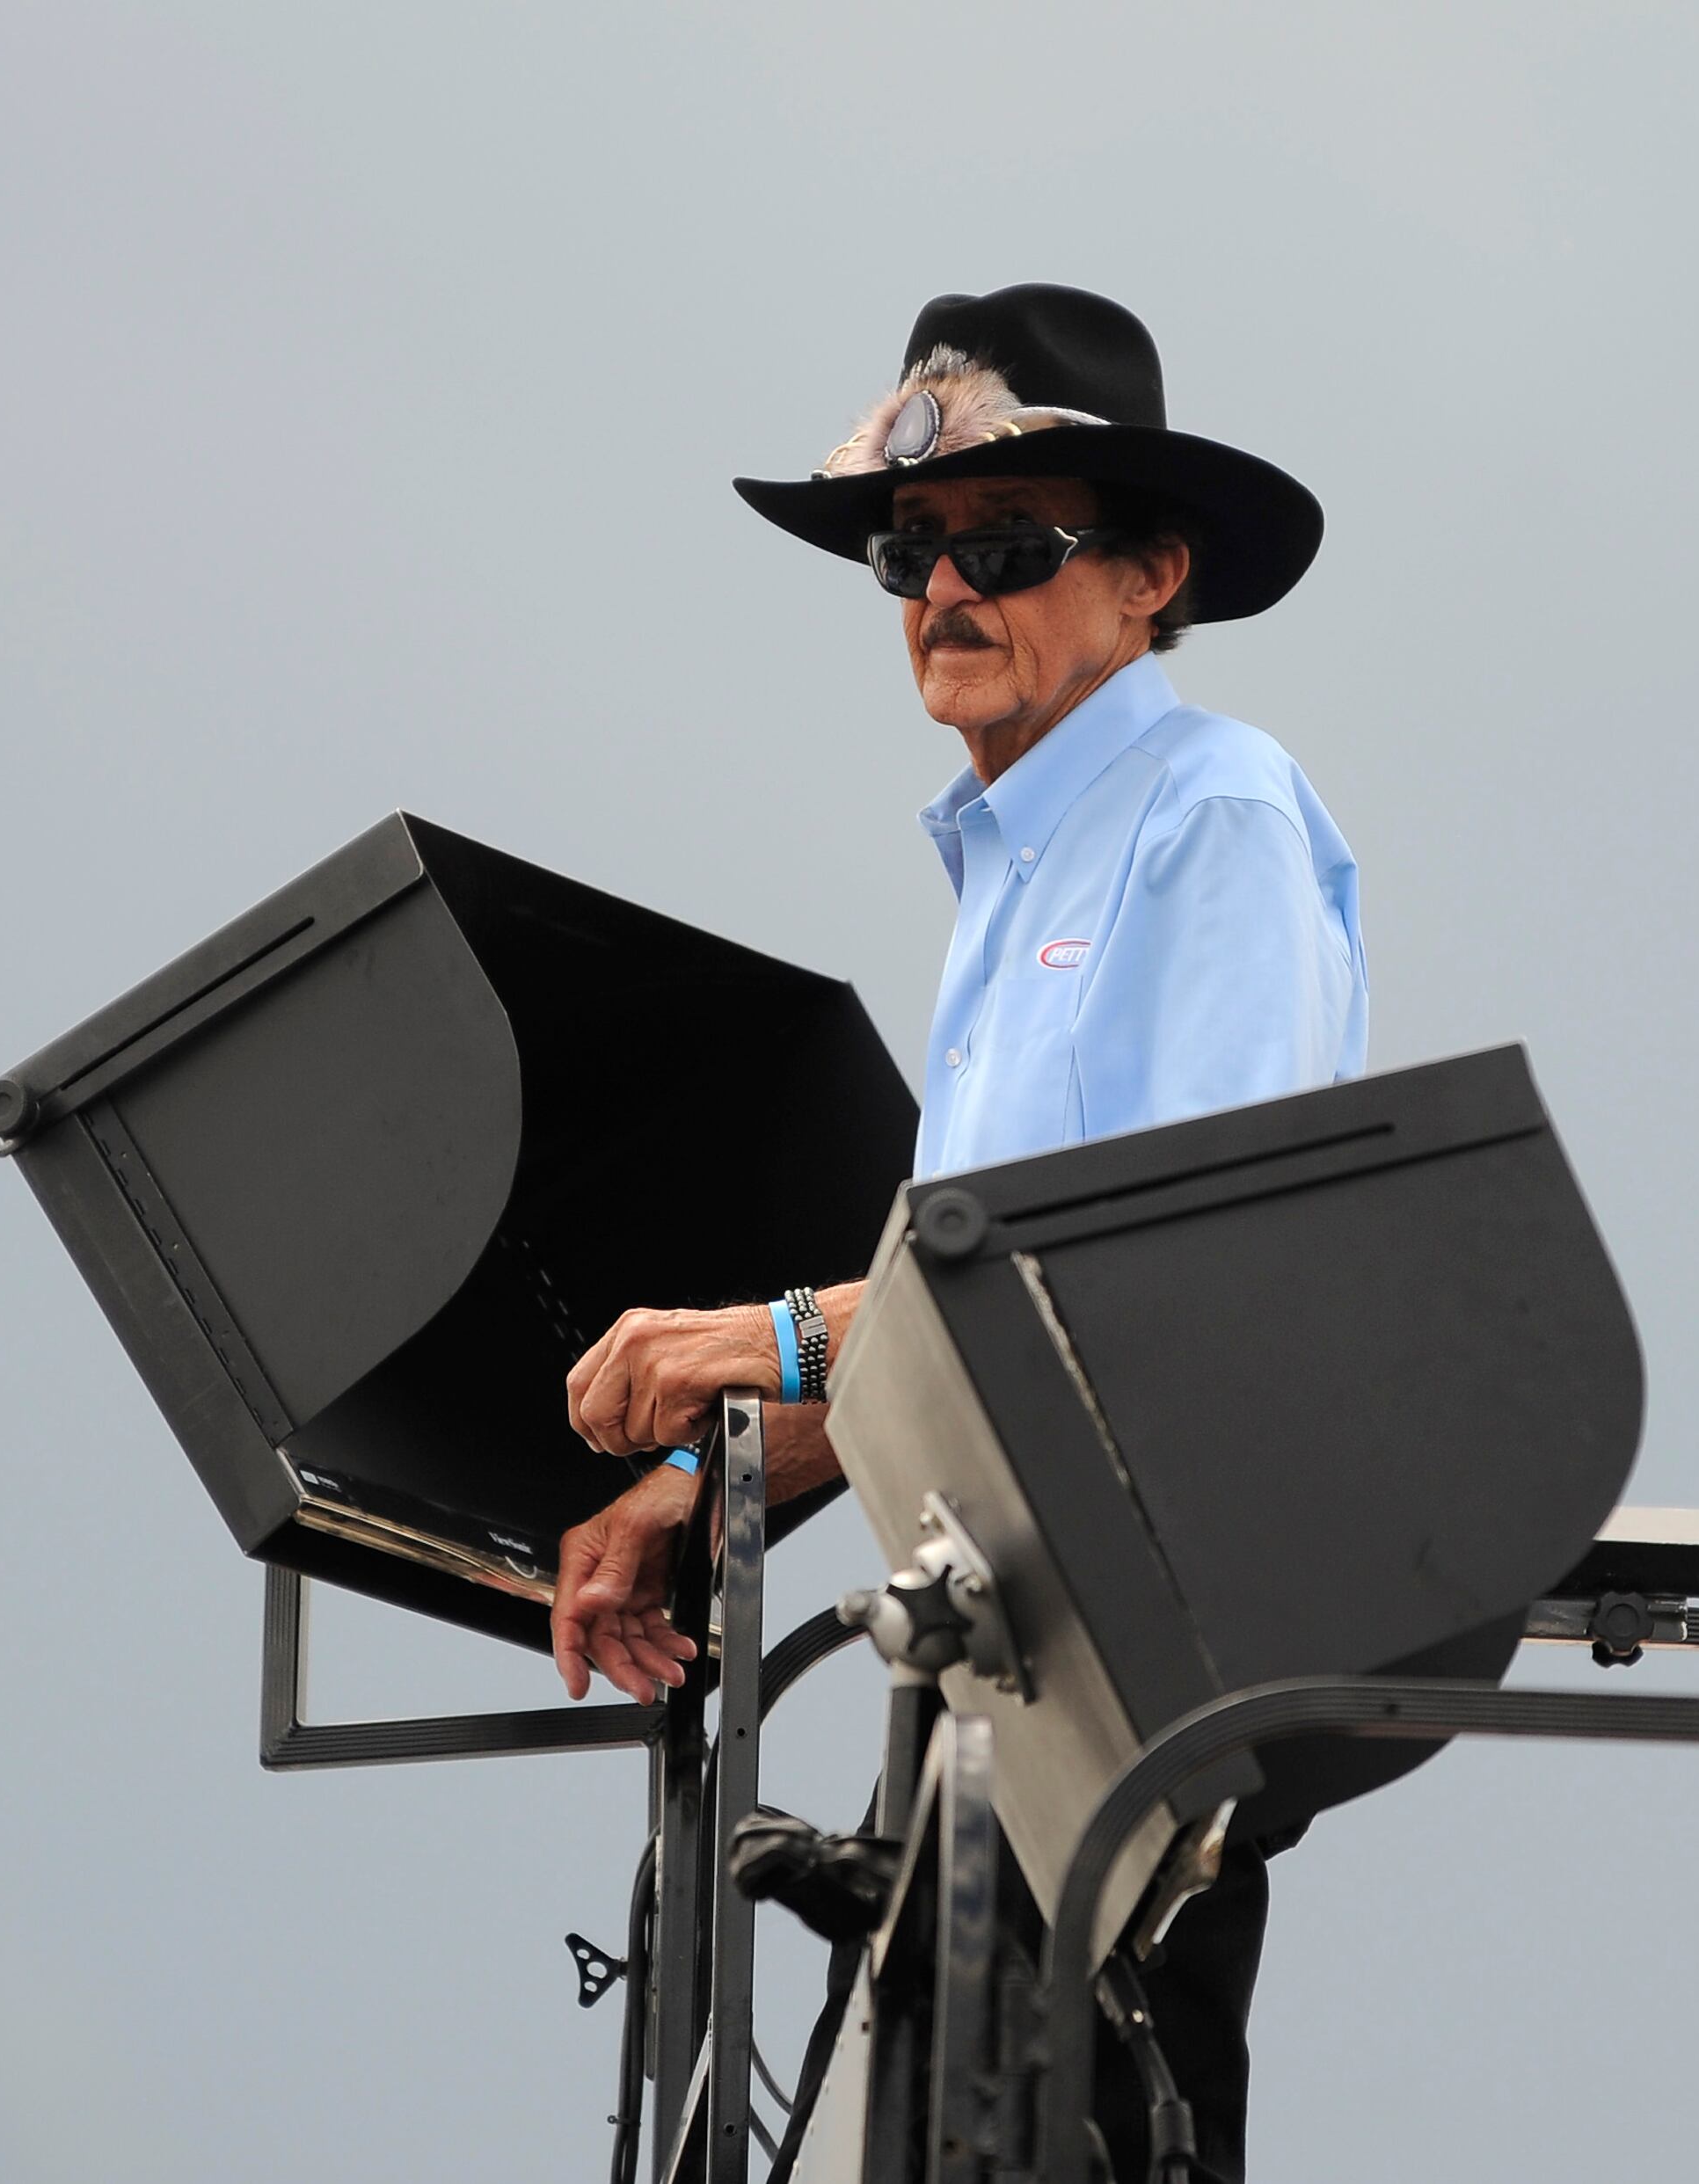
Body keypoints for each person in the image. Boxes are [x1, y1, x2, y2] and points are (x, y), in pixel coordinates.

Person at [545, 282, 1365, 2180]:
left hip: (1148, 1707)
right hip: (1001, 1693)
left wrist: (776, 1339)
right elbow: (999, 1349)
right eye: (911, 555)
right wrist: (716, 1487)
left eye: (1004, 544)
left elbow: (1176, 1261)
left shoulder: (1213, 813)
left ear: (1154, 573)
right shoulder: (1019, 864)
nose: (943, 591)